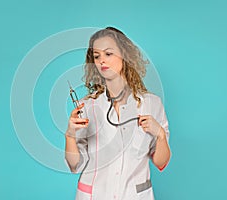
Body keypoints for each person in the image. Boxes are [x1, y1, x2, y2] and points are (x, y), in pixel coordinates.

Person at [64, 27, 171, 200]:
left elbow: (160, 161)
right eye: (96, 56)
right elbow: (75, 165)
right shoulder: (87, 106)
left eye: (108, 54)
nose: (101, 61)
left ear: (124, 55)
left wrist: (160, 135)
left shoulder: (152, 103)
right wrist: (70, 136)